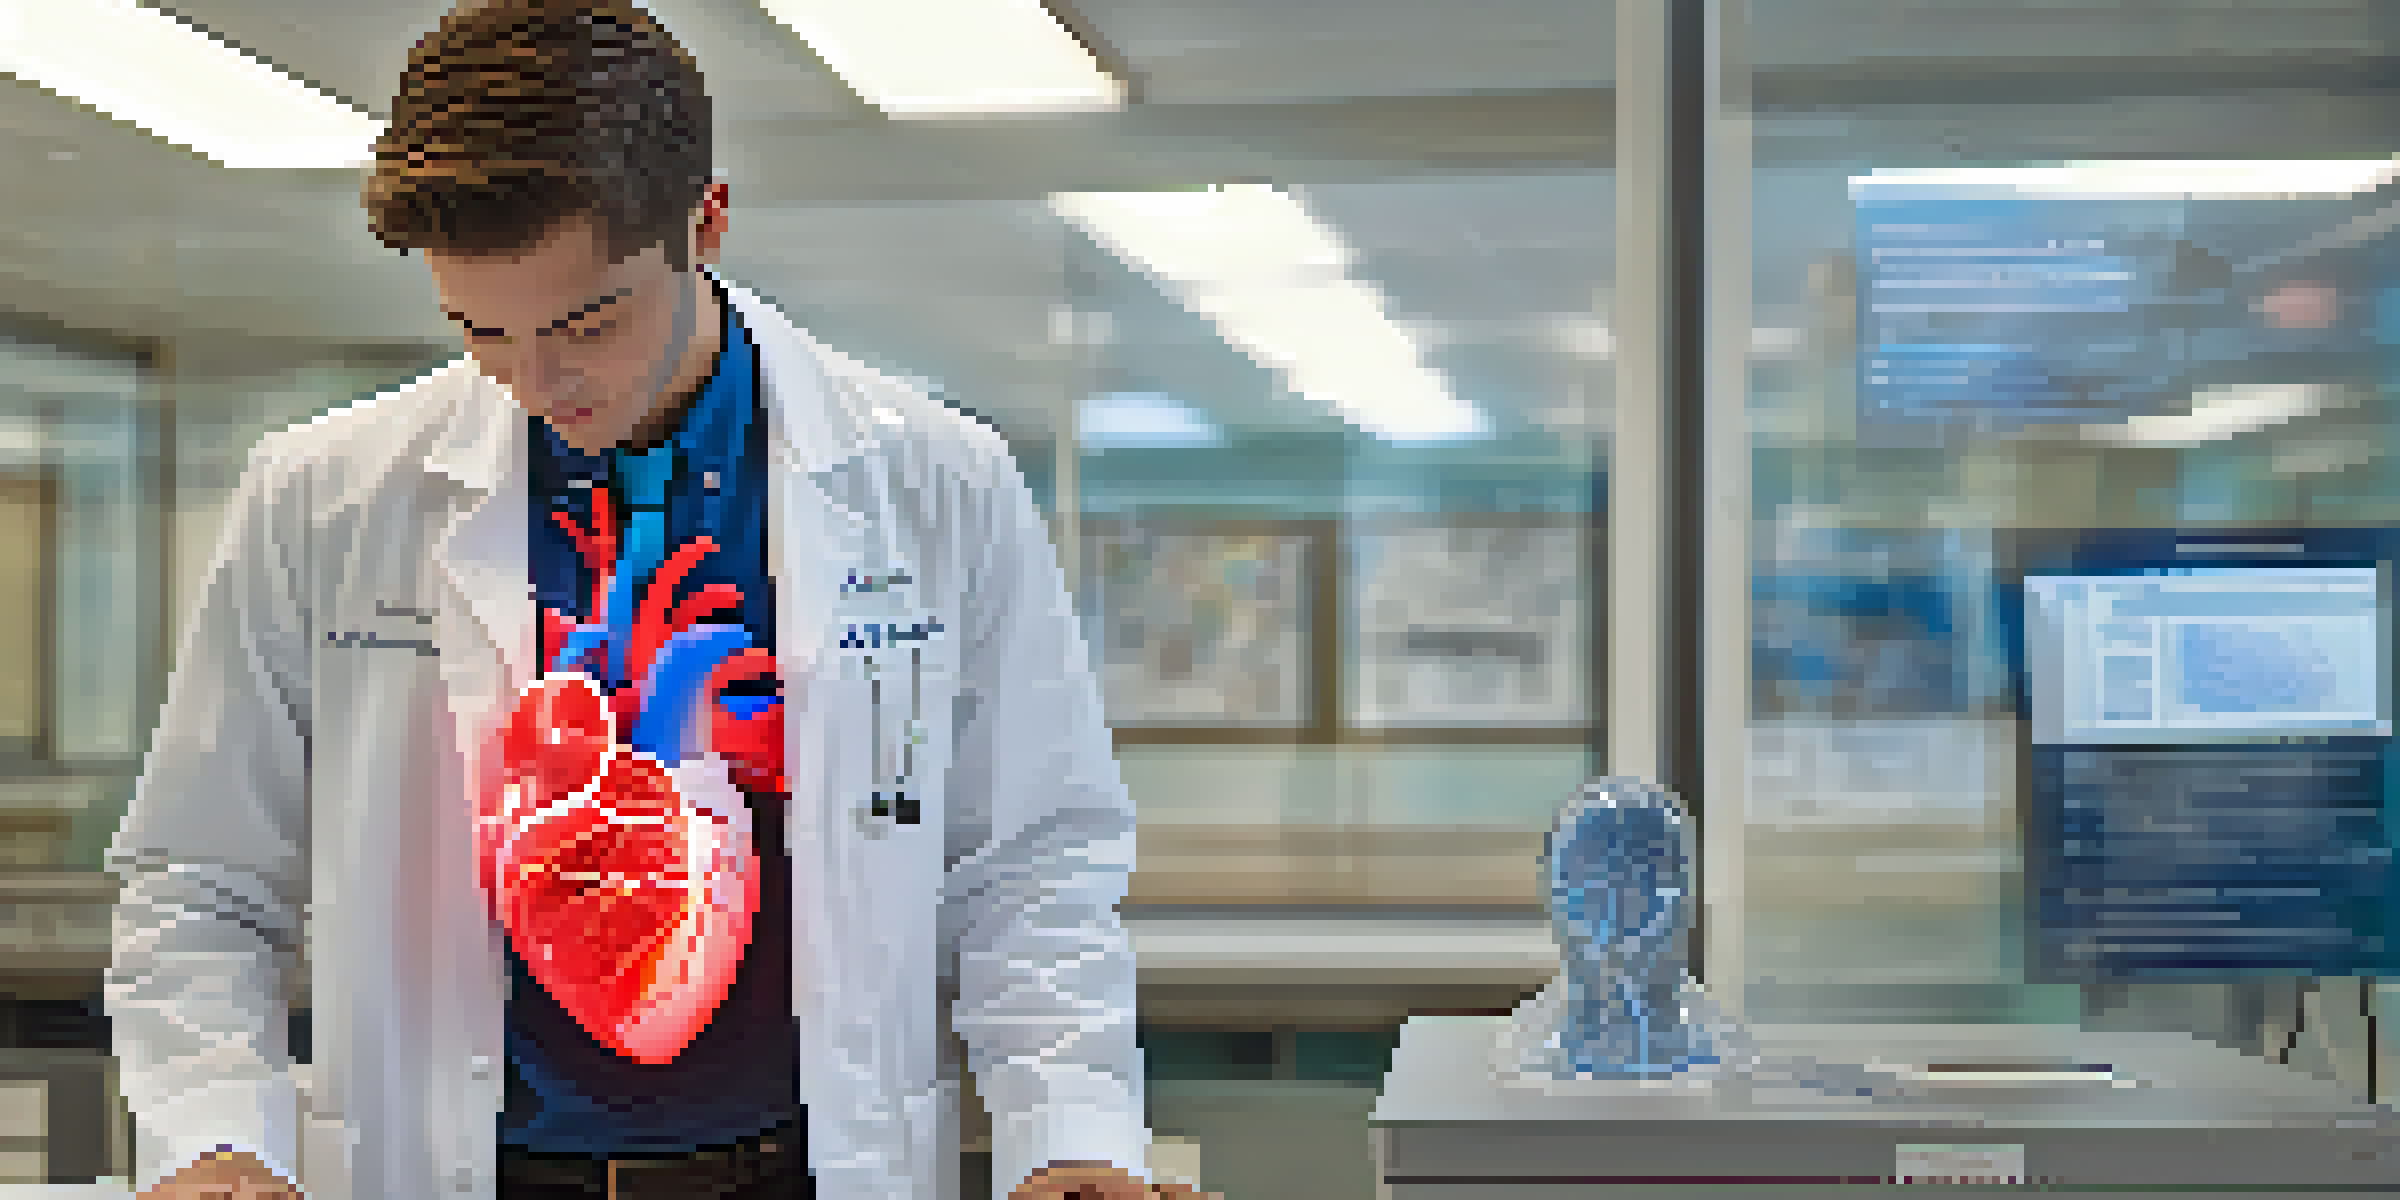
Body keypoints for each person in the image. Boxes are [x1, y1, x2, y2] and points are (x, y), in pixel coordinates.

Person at [107, 3, 1212, 1197]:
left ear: (707, 224)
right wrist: (215, 1136)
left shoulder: (937, 480)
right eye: (480, 331)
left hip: (806, 1169)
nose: (537, 382)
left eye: (589, 323)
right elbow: (202, 879)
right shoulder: (322, 496)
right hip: (463, 1169)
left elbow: (1031, 862)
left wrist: (1070, 1128)